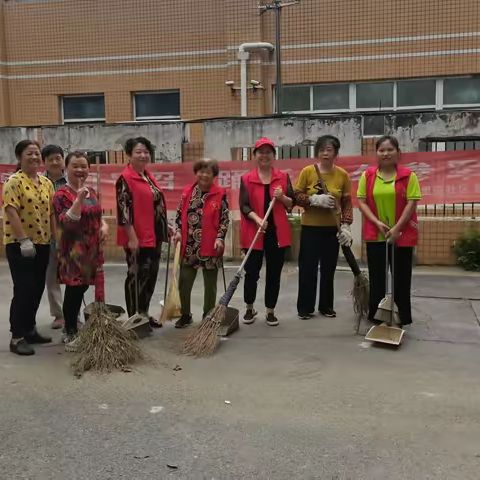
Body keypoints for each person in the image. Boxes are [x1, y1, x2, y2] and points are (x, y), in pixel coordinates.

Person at [357, 135, 421, 326]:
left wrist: (396, 229)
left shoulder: (409, 176)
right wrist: (377, 222)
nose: (385, 153)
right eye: (381, 150)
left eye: (389, 149)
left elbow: (412, 203)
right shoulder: (368, 175)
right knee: (378, 278)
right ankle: (378, 317)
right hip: (376, 235)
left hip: (401, 235)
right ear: (376, 153)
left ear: (398, 153)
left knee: (401, 279)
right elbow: (361, 201)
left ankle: (402, 316)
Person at [2, 140, 55, 355]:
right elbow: (11, 210)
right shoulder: (13, 182)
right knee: (23, 290)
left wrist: (55, 238)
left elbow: (51, 212)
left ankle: (30, 329)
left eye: (36, 154)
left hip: (42, 243)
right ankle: (17, 337)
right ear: (19, 157)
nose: (34, 157)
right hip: (20, 245)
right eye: (29, 154)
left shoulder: (46, 182)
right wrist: (23, 239)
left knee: (36, 289)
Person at [53, 151, 108, 350]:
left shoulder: (91, 191)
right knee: (74, 291)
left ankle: (71, 326)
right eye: (75, 166)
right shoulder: (61, 195)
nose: (80, 170)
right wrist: (77, 200)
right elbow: (65, 223)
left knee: (83, 287)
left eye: (83, 166)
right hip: (74, 252)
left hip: (92, 250)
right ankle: (69, 332)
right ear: (65, 169)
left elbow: (97, 215)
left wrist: (104, 226)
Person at [294, 135, 353, 320]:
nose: (325, 153)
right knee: (307, 268)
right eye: (321, 149)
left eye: (329, 149)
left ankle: (326, 306)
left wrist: (346, 226)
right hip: (310, 227)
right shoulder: (308, 172)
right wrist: (313, 199)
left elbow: (347, 202)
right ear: (317, 152)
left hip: (331, 230)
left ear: (336, 152)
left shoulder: (342, 175)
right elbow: (296, 195)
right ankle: (305, 308)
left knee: (329, 268)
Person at [116, 137, 173, 327]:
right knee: (136, 277)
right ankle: (134, 318)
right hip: (137, 237)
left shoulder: (147, 176)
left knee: (150, 275)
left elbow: (154, 204)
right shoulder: (125, 179)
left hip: (153, 235)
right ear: (129, 155)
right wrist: (132, 238)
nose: (143, 155)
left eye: (146, 152)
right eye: (138, 152)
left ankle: (144, 313)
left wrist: (166, 226)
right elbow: (123, 212)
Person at [239, 137, 295, 327]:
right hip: (254, 233)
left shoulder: (283, 177)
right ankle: (249, 307)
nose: (264, 155)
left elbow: (291, 204)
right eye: (260, 152)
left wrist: (282, 197)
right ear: (255, 155)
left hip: (276, 234)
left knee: (274, 272)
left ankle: (270, 310)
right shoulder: (246, 179)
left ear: (273, 156)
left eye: (268, 151)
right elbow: (244, 206)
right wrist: (257, 219)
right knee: (251, 272)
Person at [173, 159, 229, 328]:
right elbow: (178, 216)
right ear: (196, 173)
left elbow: (224, 220)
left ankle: (208, 314)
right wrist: (177, 232)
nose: (204, 175)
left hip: (211, 245)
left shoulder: (220, 194)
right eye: (201, 171)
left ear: (214, 175)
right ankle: (185, 314)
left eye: (208, 172)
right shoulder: (187, 192)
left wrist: (220, 238)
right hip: (189, 245)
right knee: (184, 281)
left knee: (210, 284)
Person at [42, 144, 69, 330]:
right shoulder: (39, 183)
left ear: (63, 160)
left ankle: (72, 313)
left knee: (74, 277)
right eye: (50, 158)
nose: (54, 161)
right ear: (44, 162)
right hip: (47, 238)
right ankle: (59, 315)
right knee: (51, 277)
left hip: (71, 237)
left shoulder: (70, 183)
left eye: (57, 157)